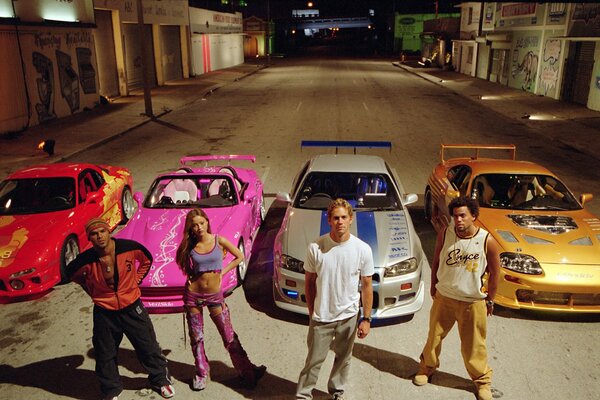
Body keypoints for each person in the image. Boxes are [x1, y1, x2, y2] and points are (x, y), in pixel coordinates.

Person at [64, 218, 174, 400]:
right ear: (89, 238)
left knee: (148, 346)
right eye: (94, 233)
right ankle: (111, 389)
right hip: (104, 311)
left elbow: (146, 260)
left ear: (109, 231)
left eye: (102, 231)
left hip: (132, 306)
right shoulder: (85, 259)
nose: (99, 236)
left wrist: (136, 280)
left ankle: (160, 380)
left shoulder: (128, 247)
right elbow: (72, 274)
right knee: (105, 353)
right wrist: (91, 288)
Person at [413, 197, 500, 400]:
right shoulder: (446, 233)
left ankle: (482, 382)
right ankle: (426, 369)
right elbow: (436, 260)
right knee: (434, 337)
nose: (458, 220)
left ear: (474, 217)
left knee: (474, 346)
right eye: (455, 216)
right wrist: (434, 285)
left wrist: (490, 299)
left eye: (463, 215)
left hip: (472, 302)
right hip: (445, 297)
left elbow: (496, 273)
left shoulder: (487, 240)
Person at [175, 208, 266, 391]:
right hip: (193, 296)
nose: (199, 227)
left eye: (201, 223)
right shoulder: (190, 246)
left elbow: (239, 256)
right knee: (197, 338)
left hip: (215, 295)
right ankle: (201, 373)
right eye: (194, 225)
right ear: (190, 229)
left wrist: (222, 273)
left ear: (207, 222)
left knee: (228, 336)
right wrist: (192, 276)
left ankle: (246, 370)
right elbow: (183, 263)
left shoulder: (219, 241)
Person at [296, 198, 374, 400]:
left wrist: (366, 318)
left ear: (351, 219)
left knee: (343, 359)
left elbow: (366, 286)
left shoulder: (362, 249)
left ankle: (337, 392)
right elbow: (309, 282)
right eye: (336, 217)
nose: (340, 221)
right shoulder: (316, 247)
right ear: (329, 220)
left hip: (348, 315)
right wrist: (312, 311)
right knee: (314, 361)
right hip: (322, 316)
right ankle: (303, 395)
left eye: (344, 217)